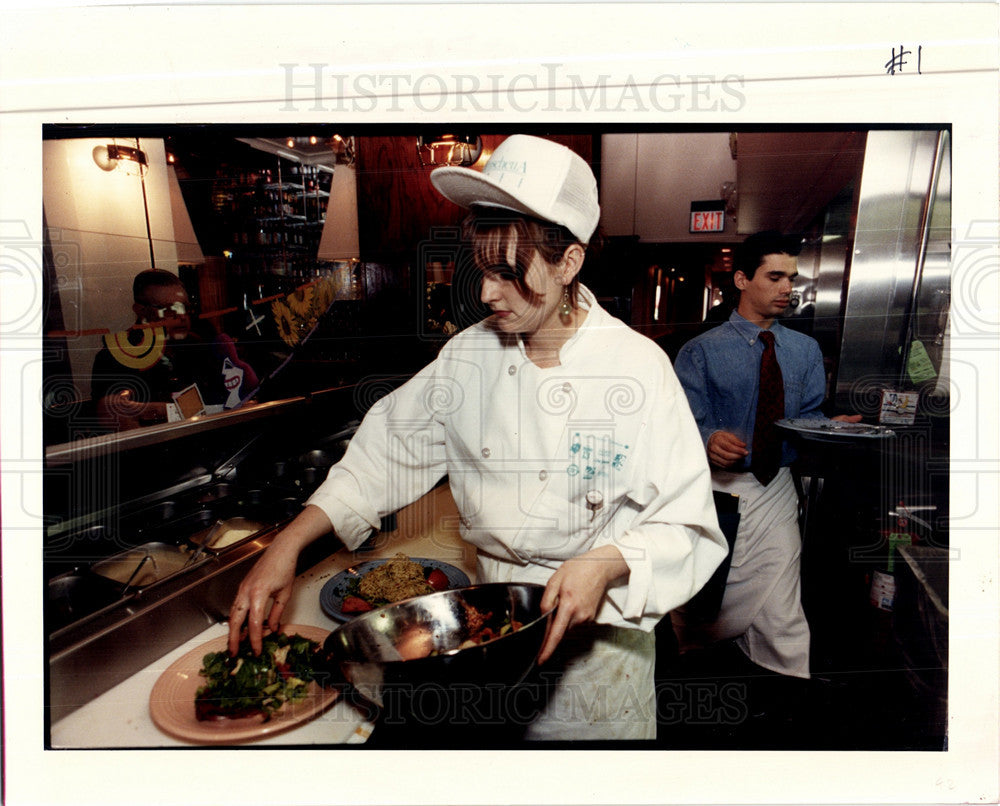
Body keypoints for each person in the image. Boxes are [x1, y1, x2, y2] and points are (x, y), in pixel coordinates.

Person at [227, 135, 728, 741]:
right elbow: (387, 449)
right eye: (485, 270)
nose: (488, 294)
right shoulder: (468, 356)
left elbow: (688, 524)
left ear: (569, 262)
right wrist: (288, 543)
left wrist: (607, 561)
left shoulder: (637, 367)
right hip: (489, 627)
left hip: (596, 648)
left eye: (511, 274)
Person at [671, 231, 861, 680]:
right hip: (718, 492)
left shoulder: (804, 350)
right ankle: (690, 674)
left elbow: (808, 414)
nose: (786, 288)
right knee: (706, 600)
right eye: (774, 277)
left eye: (791, 278)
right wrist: (708, 438)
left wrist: (832, 426)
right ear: (741, 279)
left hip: (775, 486)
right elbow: (677, 423)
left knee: (782, 607)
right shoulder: (700, 351)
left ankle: (786, 698)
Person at [91, 269, 258, 431]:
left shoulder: (198, 346)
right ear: (140, 311)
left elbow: (226, 398)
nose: (182, 317)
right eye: (170, 310)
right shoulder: (116, 357)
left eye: (185, 307)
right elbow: (116, 421)